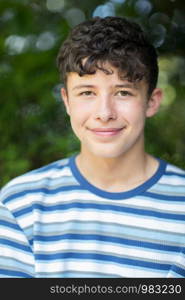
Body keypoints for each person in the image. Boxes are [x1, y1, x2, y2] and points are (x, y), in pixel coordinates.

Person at [0, 16, 185, 278]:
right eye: (87, 92)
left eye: (123, 92)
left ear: (151, 102)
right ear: (66, 101)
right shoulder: (20, 205)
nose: (104, 113)